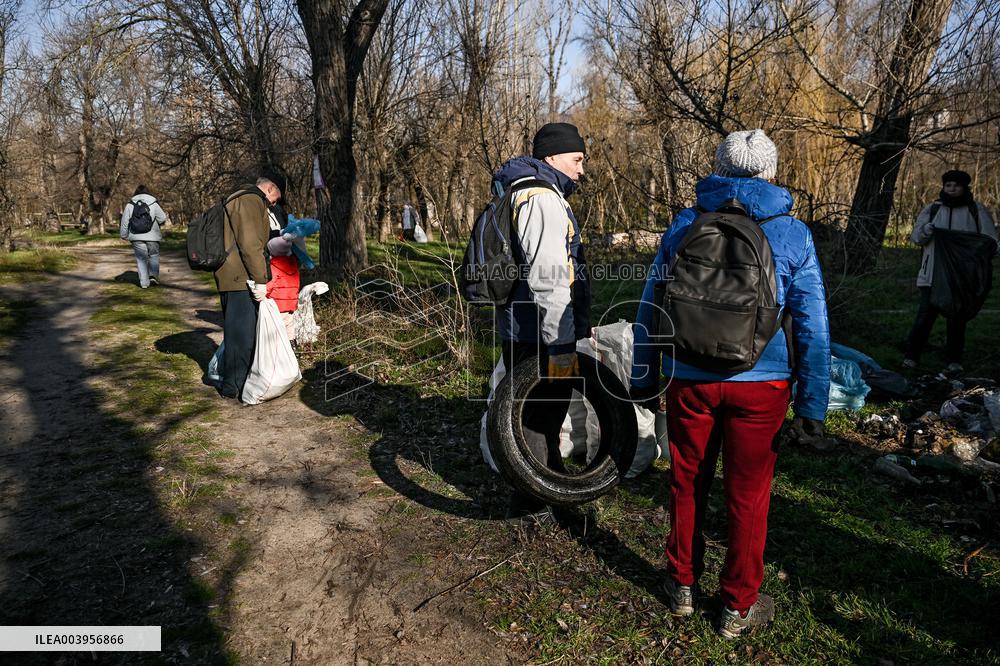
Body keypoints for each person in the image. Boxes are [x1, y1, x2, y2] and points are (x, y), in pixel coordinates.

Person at [630, 129, 830, 638]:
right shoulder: (793, 233)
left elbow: (651, 304)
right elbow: (812, 324)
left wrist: (642, 377)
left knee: (686, 482)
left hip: (689, 378)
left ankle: (681, 586)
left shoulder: (684, 223)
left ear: (720, 168)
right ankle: (737, 606)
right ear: (770, 172)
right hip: (762, 386)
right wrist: (812, 404)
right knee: (748, 494)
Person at [486, 122, 590, 515]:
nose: (581, 169)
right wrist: (561, 343)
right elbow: (548, 278)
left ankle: (549, 481)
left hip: (530, 326)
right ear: (552, 157)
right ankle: (534, 501)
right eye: (576, 159)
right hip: (541, 331)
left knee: (542, 410)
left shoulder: (524, 191)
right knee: (538, 411)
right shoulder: (541, 198)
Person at [903, 169, 997, 373]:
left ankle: (954, 360)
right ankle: (911, 356)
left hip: (961, 277)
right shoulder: (932, 210)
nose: (952, 189)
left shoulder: (976, 211)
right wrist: (926, 231)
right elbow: (916, 238)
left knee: (957, 320)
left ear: (964, 188)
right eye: (948, 185)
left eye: (956, 185)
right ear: (943, 187)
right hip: (932, 275)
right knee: (924, 318)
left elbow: (991, 242)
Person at [214, 168, 285, 400]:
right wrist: (261, 280)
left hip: (232, 275)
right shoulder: (251, 201)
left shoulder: (241, 198)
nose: (274, 204)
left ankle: (235, 380)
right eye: (276, 198)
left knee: (238, 332)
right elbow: (251, 245)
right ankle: (234, 385)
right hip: (239, 277)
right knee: (241, 335)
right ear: (270, 187)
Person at [119, 185, 167, 288]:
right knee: (153, 255)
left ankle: (144, 283)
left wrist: (124, 235)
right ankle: (153, 276)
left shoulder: (130, 204)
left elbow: (124, 222)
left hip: (136, 237)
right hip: (153, 236)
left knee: (141, 259)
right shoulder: (153, 203)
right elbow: (162, 218)